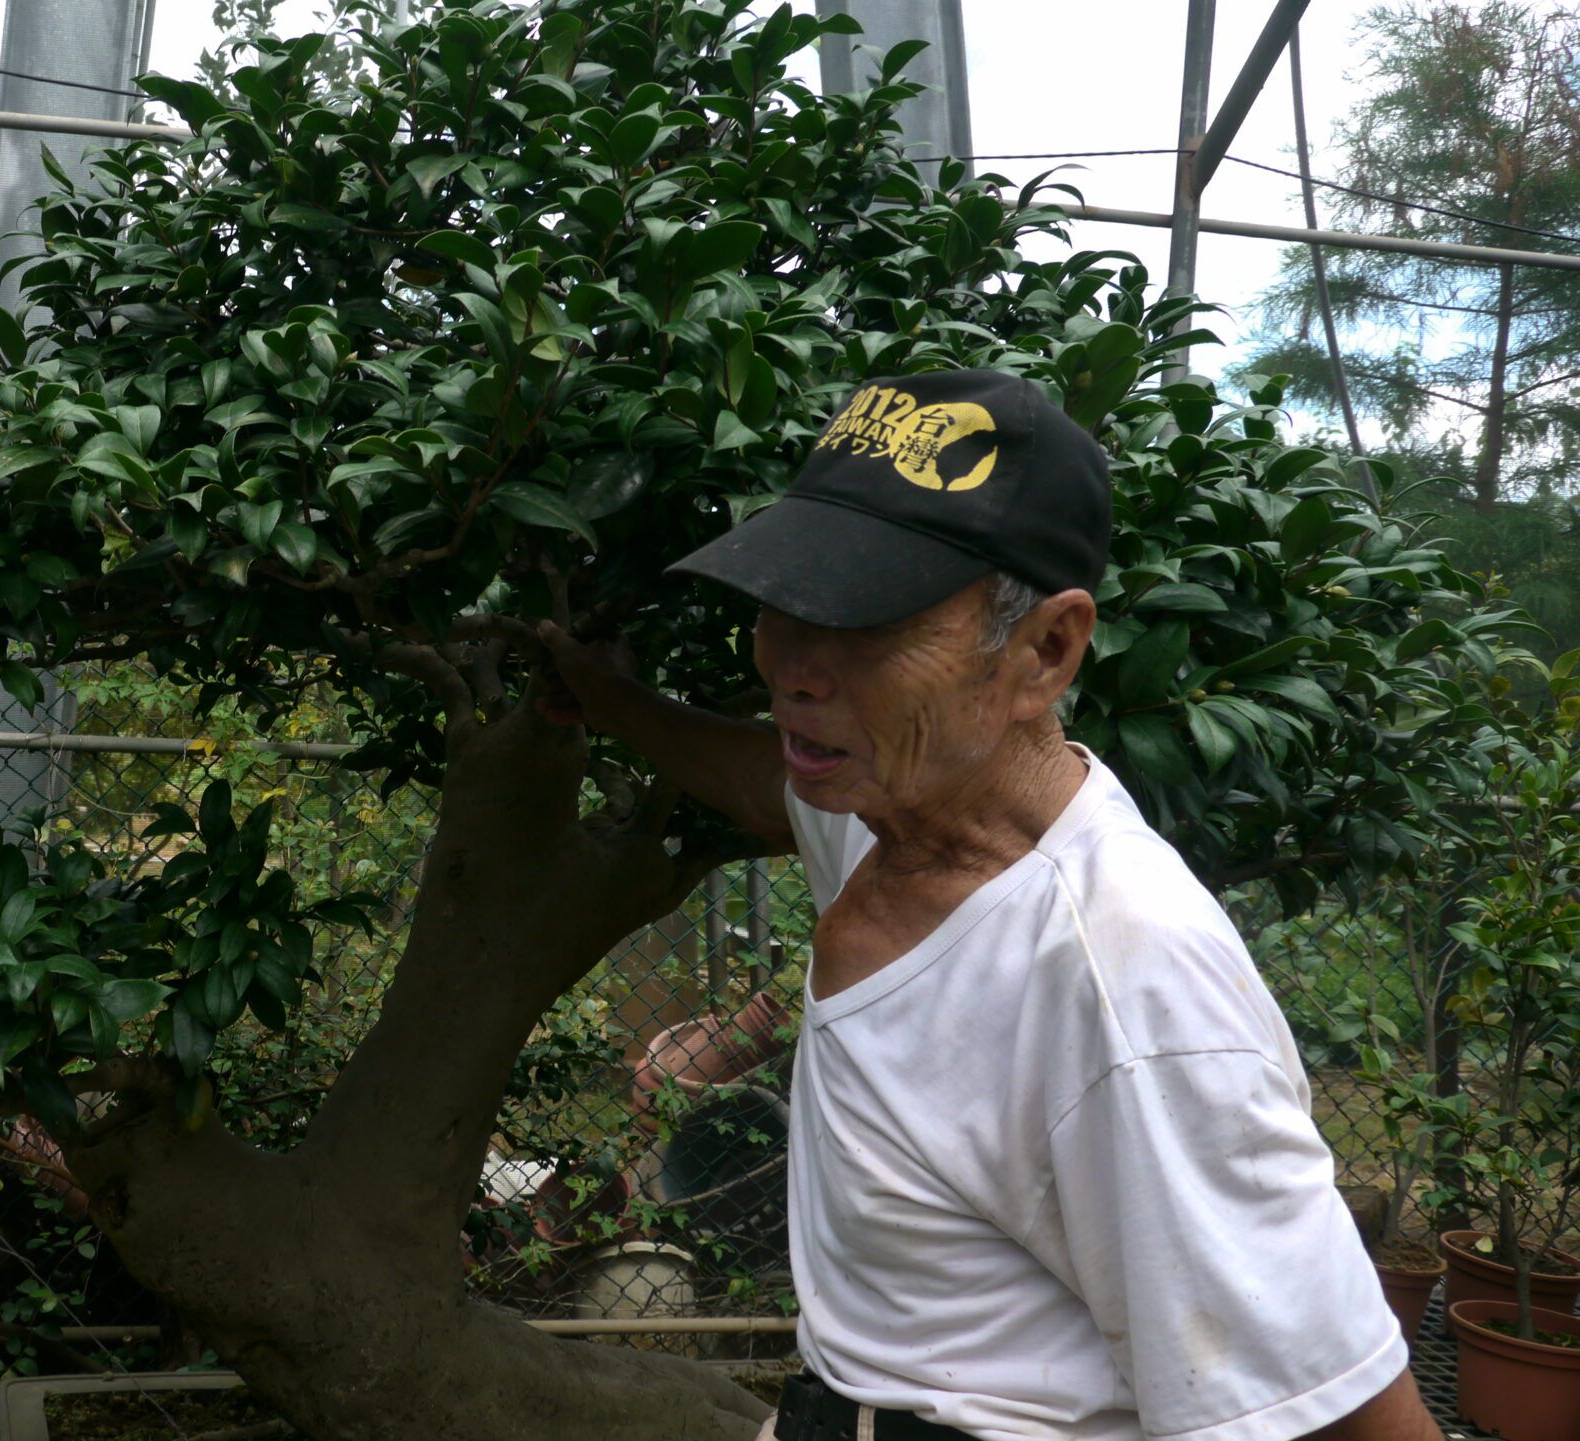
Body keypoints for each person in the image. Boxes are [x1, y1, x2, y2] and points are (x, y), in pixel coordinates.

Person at [537, 370, 1441, 1441]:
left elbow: (1344, 1414)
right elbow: (758, 782)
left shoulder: (1125, 982)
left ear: (1044, 651)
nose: (794, 670)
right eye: (787, 603)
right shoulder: (891, 802)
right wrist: (604, 697)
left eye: (867, 621)